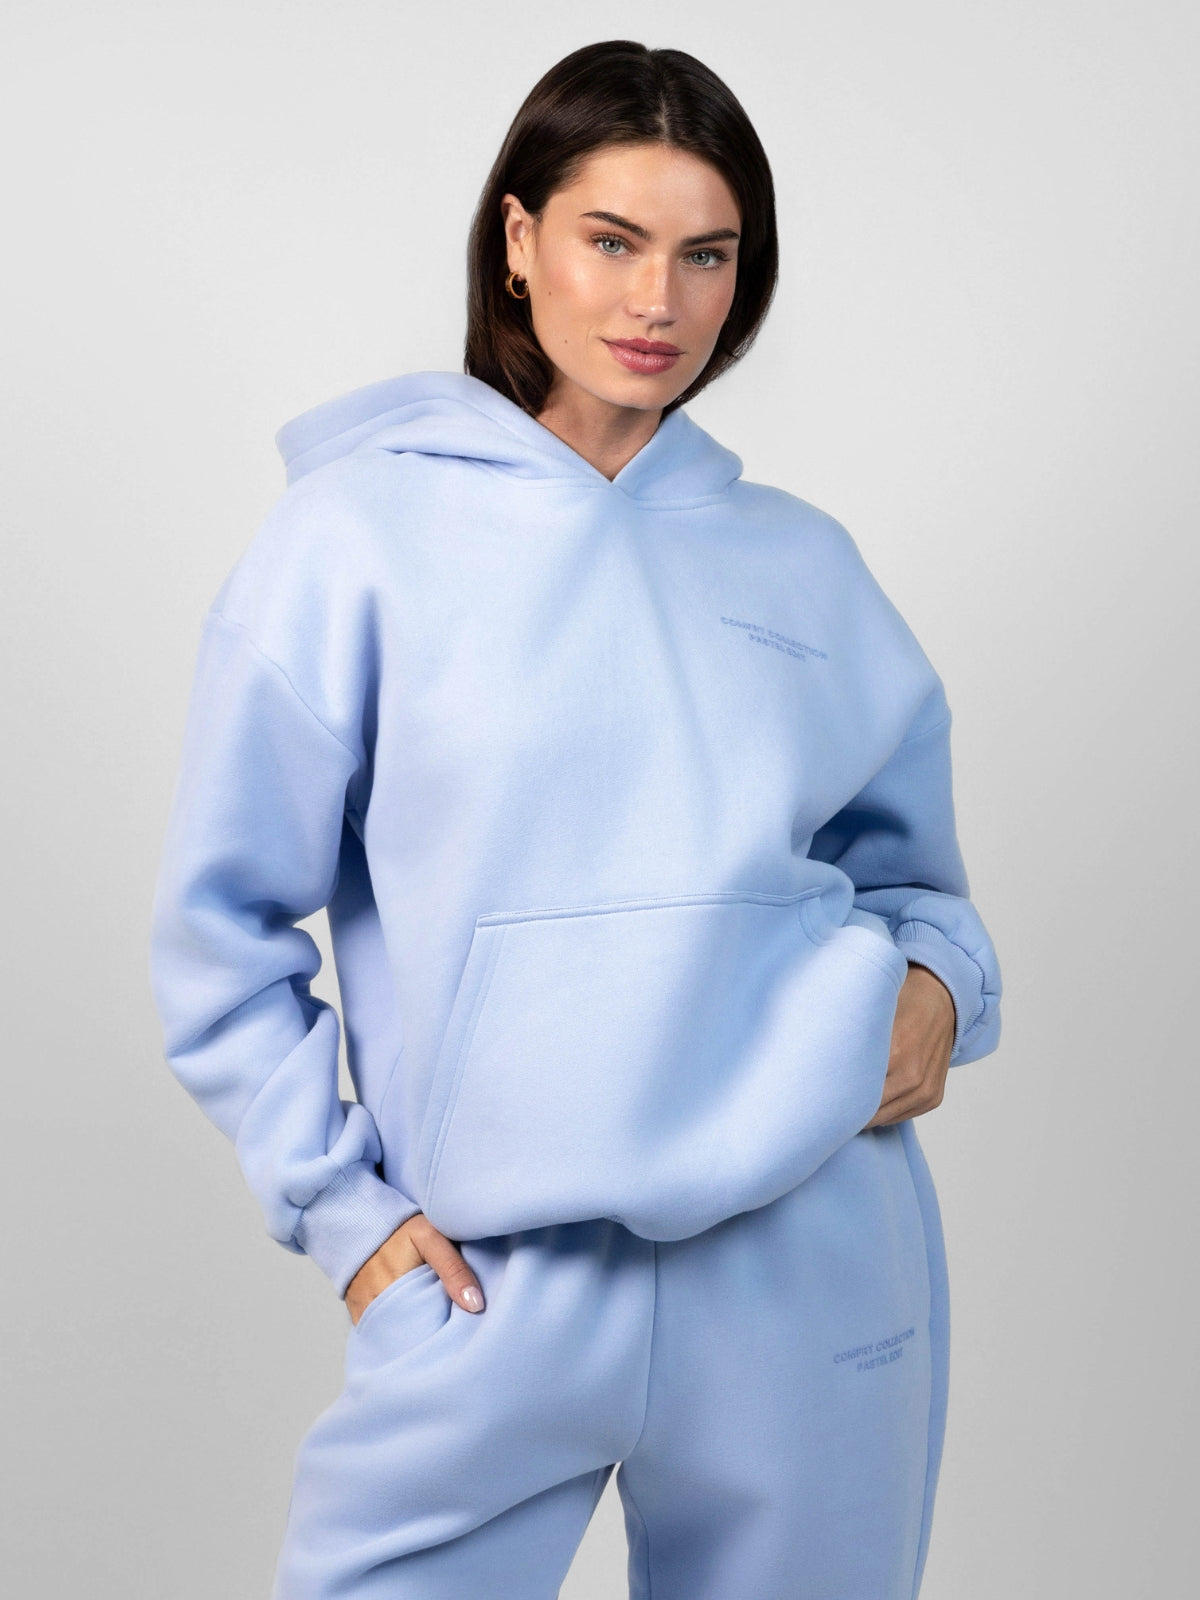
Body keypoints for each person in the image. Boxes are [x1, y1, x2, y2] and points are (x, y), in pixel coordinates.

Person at [148, 37, 1002, 1600]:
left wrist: (942, 987)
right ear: (519, 238)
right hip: (494, 1289)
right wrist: (346, 1218)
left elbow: (920, 891)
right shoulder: (353, 542)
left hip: (810, 1264)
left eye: (706, 255)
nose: (657, 301)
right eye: (614, 240)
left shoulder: (803, 566)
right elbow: (220, 929)